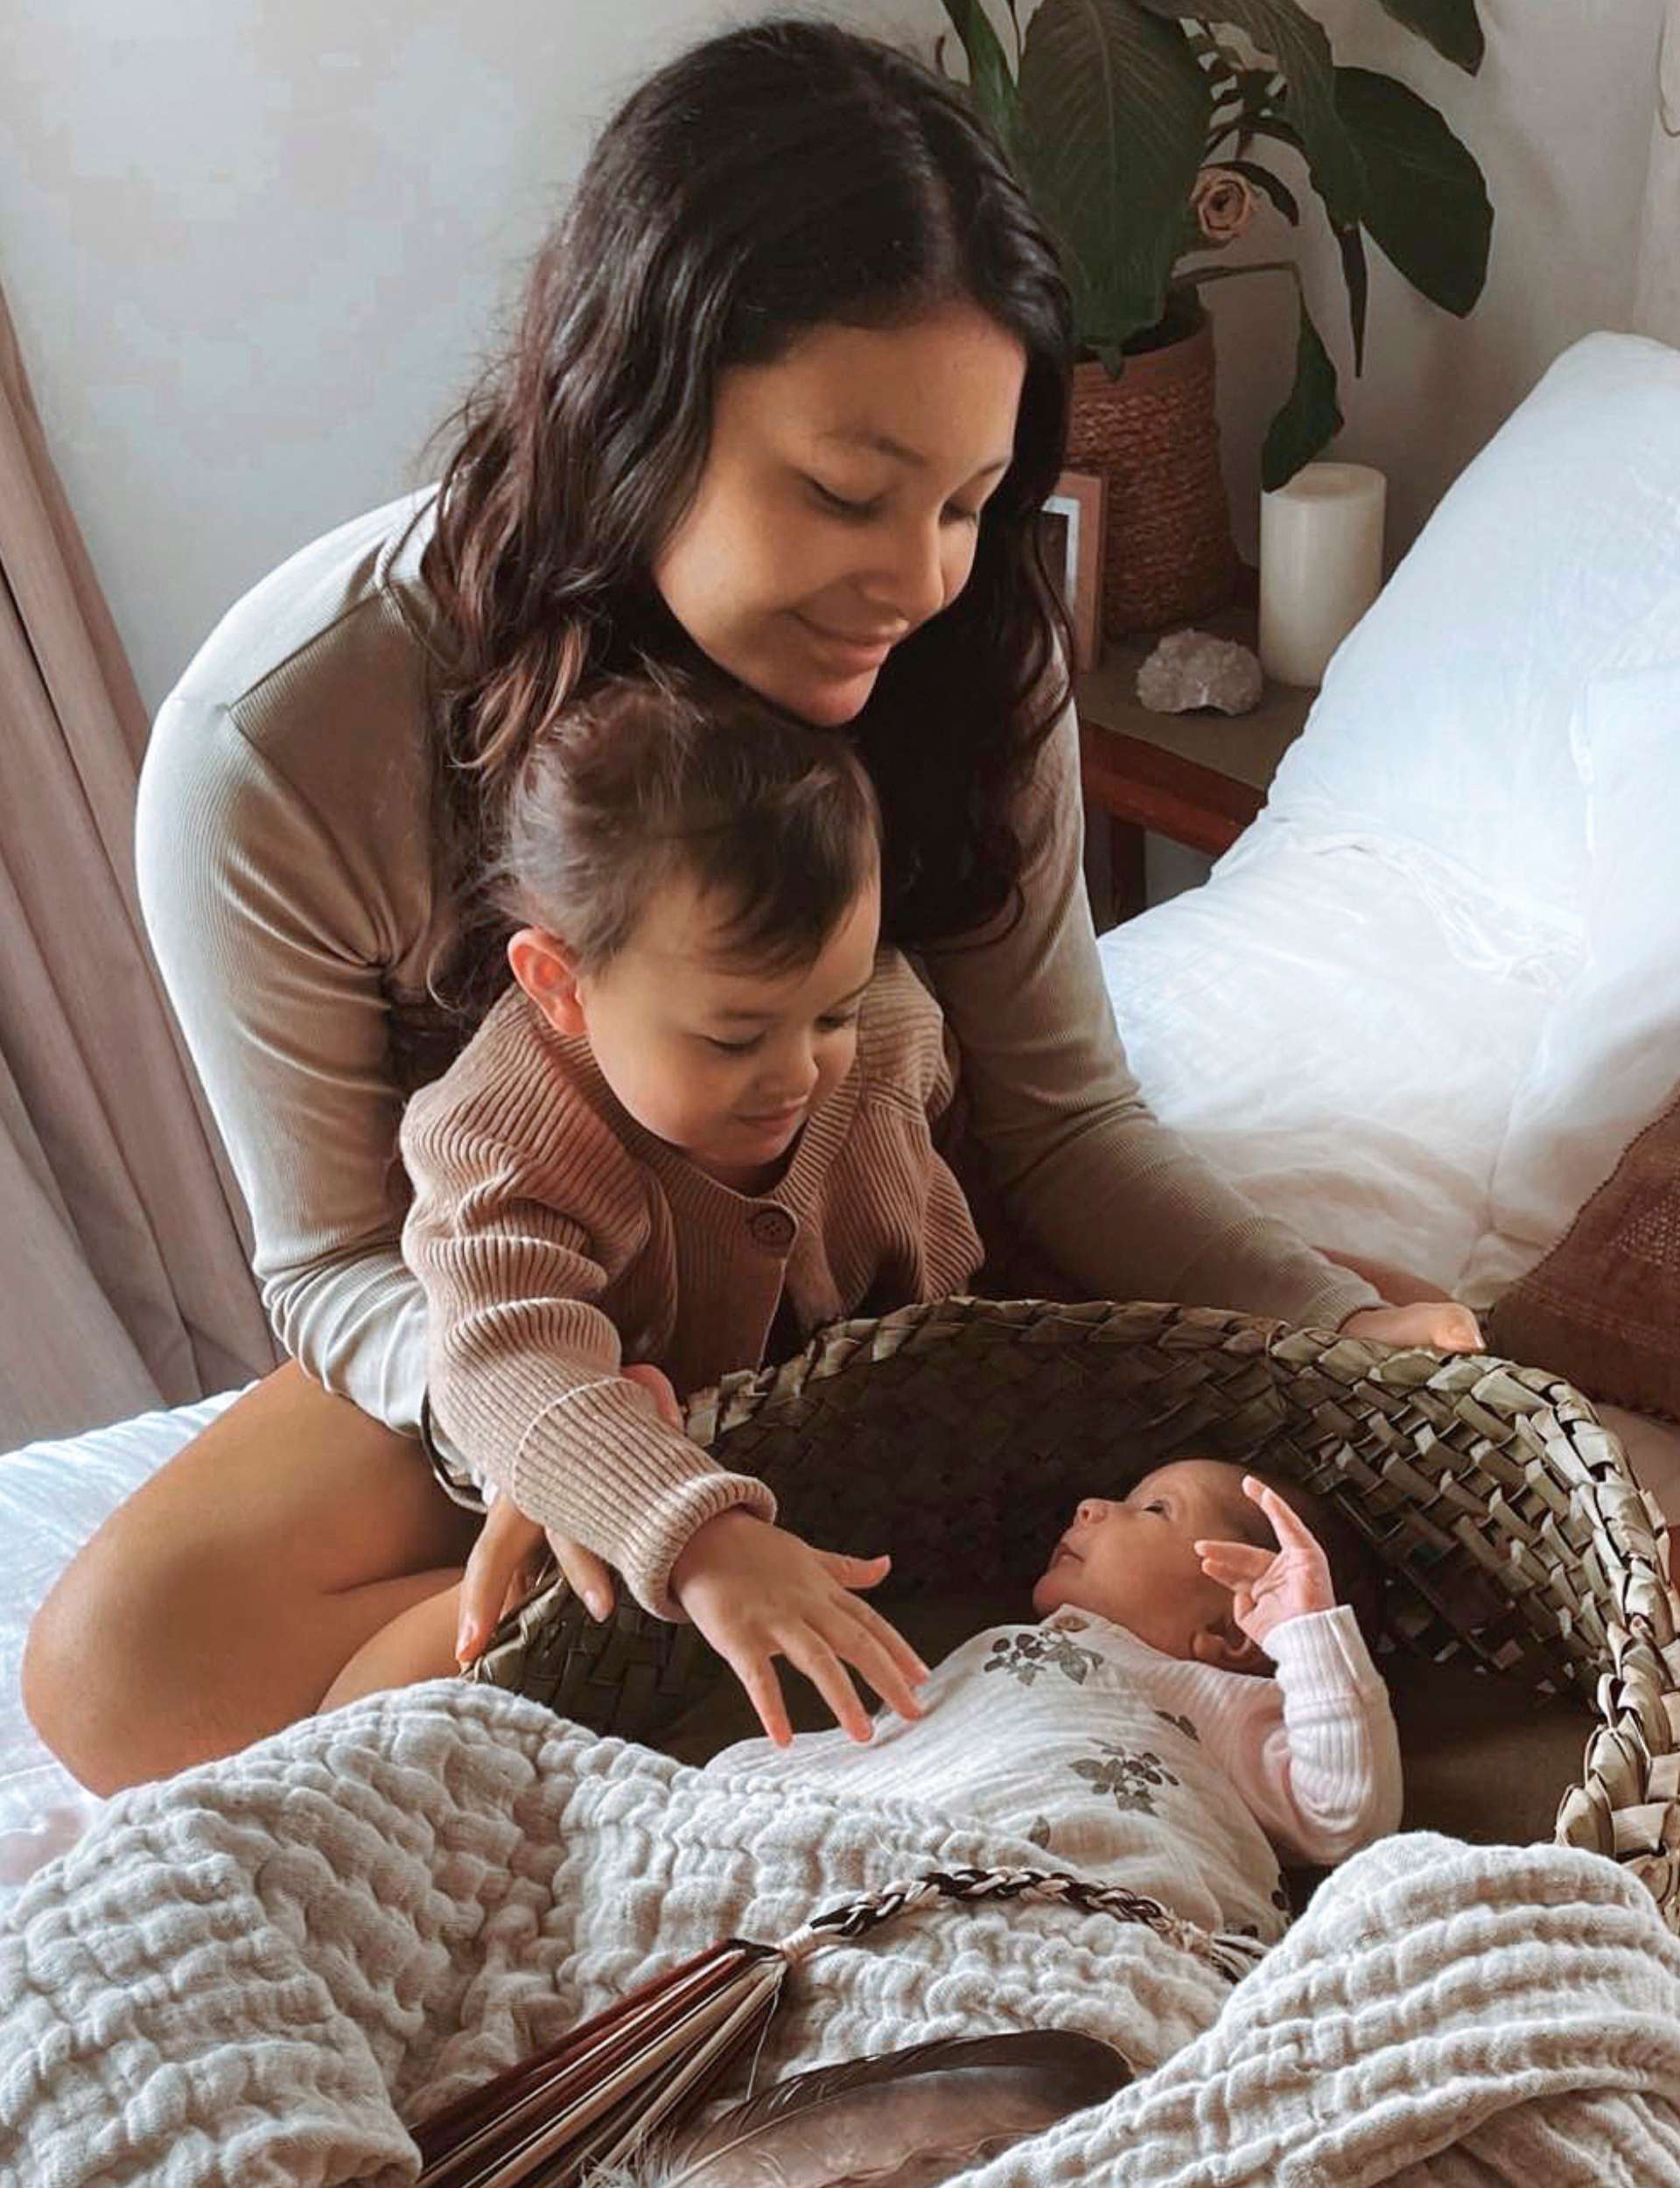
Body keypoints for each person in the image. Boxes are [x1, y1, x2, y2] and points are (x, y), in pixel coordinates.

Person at [23, 16, 1478, 1796]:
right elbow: (338, 1265)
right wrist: (560, 1443)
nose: (920, 577)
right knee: (116, 1669)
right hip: (539, 1309)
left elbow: (1059, 1119)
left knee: (1390, 1358)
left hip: (893, 1269)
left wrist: (1330, 1333)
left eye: (966, 501)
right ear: (635, 401)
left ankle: (838, 1628)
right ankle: (709, 1629)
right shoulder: (286, 745)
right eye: (848, 494)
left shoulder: (965, 637)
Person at [324, 670, 981, 1741]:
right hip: (597, 1481)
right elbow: (502, 1361)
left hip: (820, 1453)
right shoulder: (497, 1129)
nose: (798, 1075)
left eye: (833, 1012)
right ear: (560, 986)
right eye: (733, 1038)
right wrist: (699, 1534)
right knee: (415, 1697)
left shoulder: (892, 1035)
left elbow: (936, 1253)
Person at [704, 1459, 1403, 1945]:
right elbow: (913, 1757)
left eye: (1154, 1508)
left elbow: (1342, 1816)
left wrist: (1309, 1636)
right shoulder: (1005, 1649)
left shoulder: (1221, 1704)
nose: (1092, 1507)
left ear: (1227, 1627)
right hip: (904, 1836)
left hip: (1069, 1883)